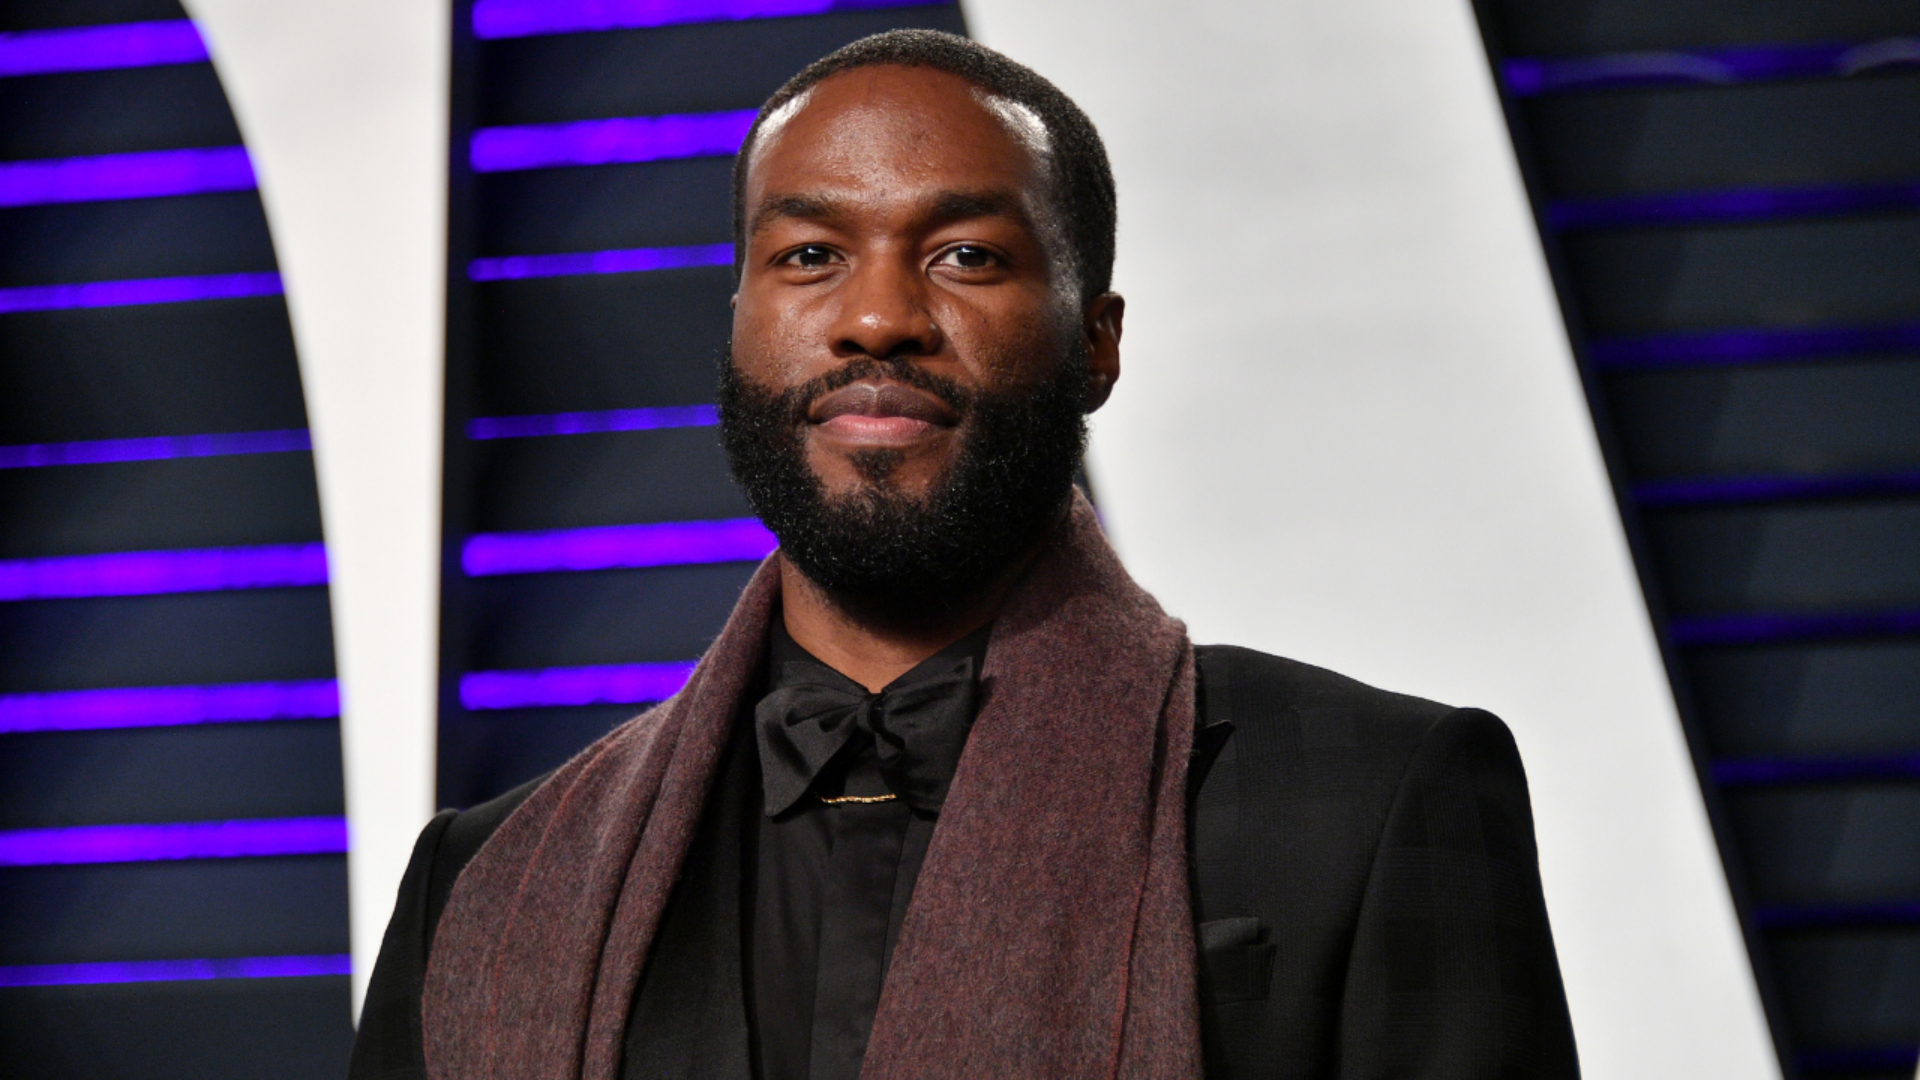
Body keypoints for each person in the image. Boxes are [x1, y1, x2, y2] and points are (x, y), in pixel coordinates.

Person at [349, 29, 1578, 1080]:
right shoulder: (486, 882)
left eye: (966, 256)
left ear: (1097, 343)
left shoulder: (1377, 793)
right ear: (737, 324)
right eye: (810, 255)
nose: (877, 317)